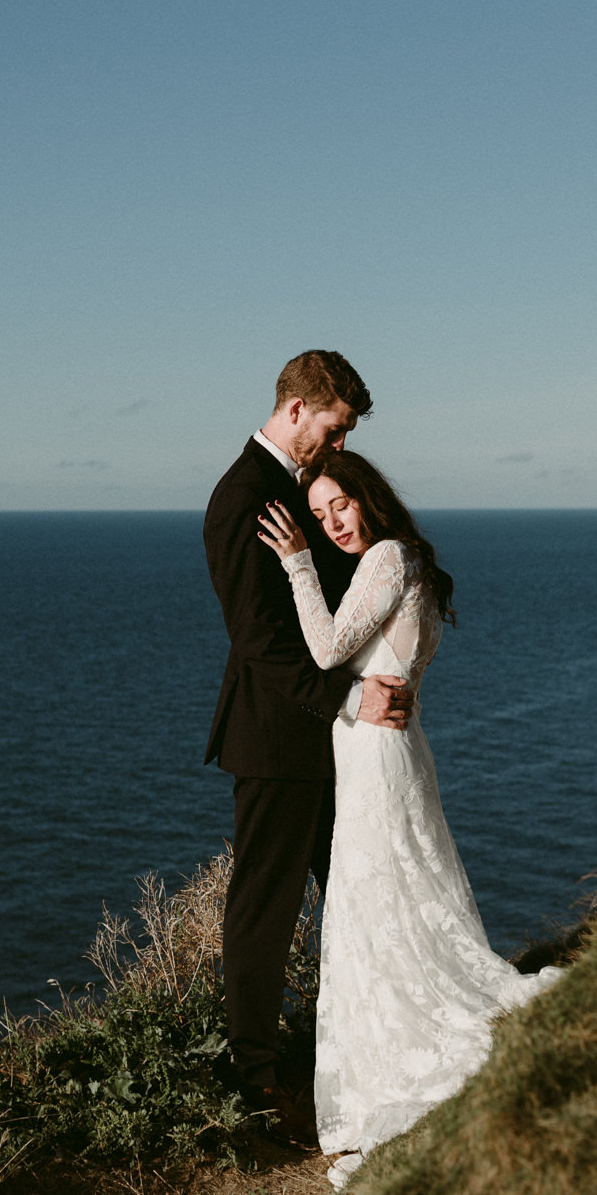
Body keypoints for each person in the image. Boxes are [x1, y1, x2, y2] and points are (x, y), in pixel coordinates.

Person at [256, 448, 563, 1189]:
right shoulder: (406, 559)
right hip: (388, 751)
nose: (330, 524)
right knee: (388, 898)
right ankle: (393, 1040)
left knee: (376, 902)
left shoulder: (388, 556)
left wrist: (298, 565)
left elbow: (329, 647)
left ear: (369, 497)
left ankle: (399, 1057)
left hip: (376, 755)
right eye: (318, 516)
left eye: (340, 506)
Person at [202, 351, 416, 1147]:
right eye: (333, 429)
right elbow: (257, 638)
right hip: (275, 741)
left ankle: (374, 1047)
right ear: (297, 409)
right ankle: (255, 1085)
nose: (336, 446)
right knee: (264, 912)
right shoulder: (239, 498)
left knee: (361, 891)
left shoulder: (295, 489)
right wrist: (348, 696)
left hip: (332, 740)